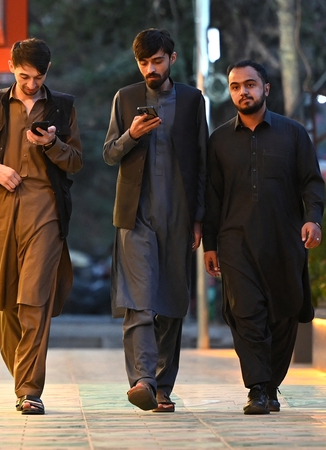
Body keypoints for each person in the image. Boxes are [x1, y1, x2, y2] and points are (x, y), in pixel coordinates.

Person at [0, 38, 83, 415]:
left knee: (34, 299)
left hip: (45, 212)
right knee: (2, 305)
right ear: (11, 65)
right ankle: (22, 378)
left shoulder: (63, 106)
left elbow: (75, 161)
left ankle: (30, 390)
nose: (31, 84)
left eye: (38, 77)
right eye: (24, 75)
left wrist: (53, 143)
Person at [203, 60, 325, 415]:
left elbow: (312, 183)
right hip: (235, 242)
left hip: (285, 242)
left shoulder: (294, 134)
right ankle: (256, 388)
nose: (244, 92)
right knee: (247, 314)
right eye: (236, 86)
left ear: (266, 89)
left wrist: (313, 220)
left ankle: (270, 385)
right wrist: (210, 244)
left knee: (284, 313)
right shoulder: (219, 141)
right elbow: (212, 197)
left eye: (251, 84)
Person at [103, 28, 207, 413]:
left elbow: (202, 163)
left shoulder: (194, 101)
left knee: (171, 306)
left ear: (172, 59)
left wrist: (199, 219)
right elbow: (110, 153)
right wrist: (131, 134)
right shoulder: (126, 98)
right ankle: (143, 381)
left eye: (157, 61)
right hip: (135, 217)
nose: (150, 68)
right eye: (144, 63)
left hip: (178, 218)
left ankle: (163, 386)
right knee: (139, 302)